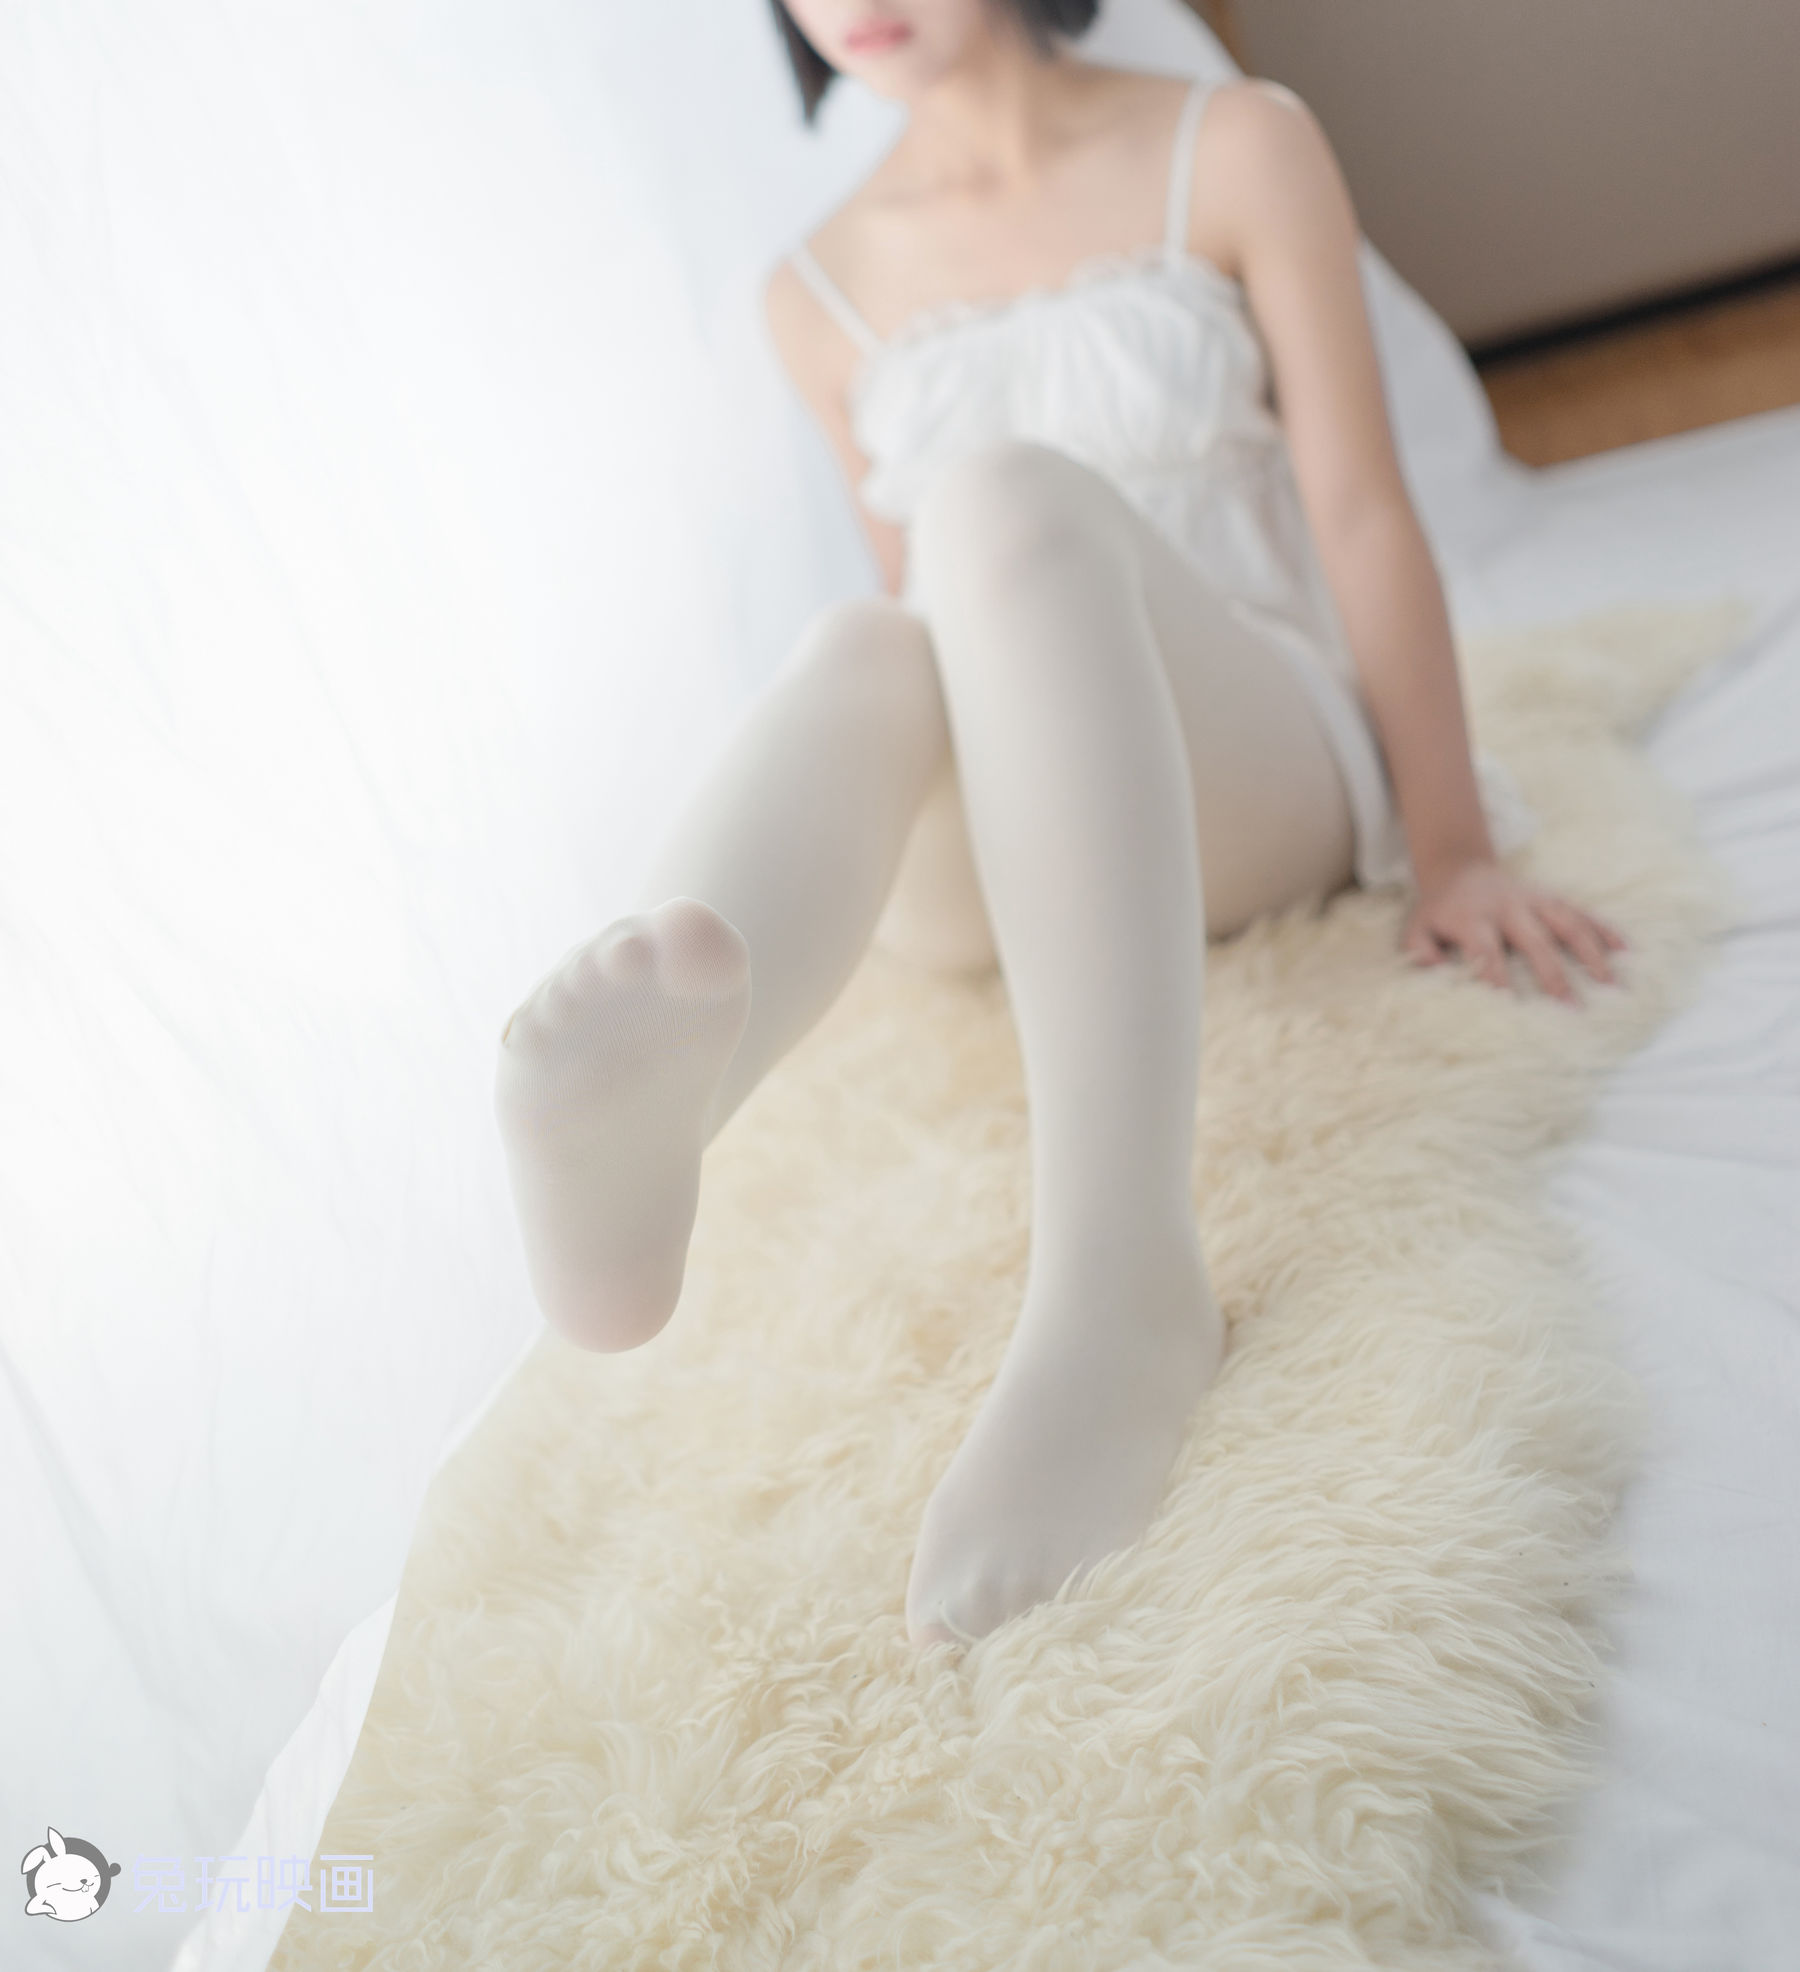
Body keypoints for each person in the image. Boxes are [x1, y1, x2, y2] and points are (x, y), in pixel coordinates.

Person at [493, 0, 1629, 1652]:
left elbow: (1362, 507)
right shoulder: (812, 288)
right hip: (1016, 841)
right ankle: (661, 1096)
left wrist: (1452, 842)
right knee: (870, 646)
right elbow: (931, 654)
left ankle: (1120, 1280)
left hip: (1259, 760)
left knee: (1000, 497)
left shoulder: (1236, 144)